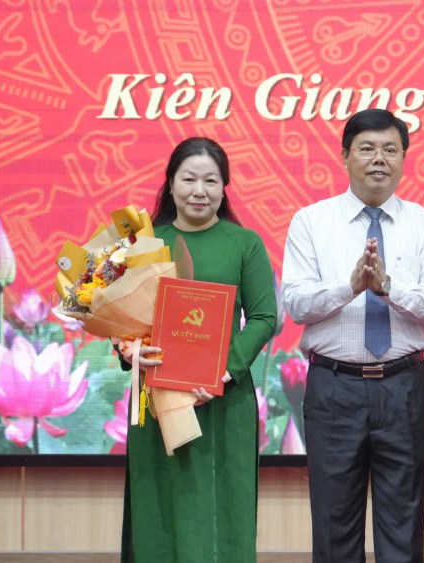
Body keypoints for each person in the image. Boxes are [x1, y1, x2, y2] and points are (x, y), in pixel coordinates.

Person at [280, 108, 424, 563]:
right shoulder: (311, 222)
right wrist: (351, 287)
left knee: (404, 524)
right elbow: (296, 303)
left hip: (404, 387)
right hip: (334, 388)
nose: (379, 159)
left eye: (390, 150)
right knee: (335, 526)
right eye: (367, 149)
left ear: (403, 158)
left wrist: (389, 288)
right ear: (344, 156)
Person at [119, 137, 277, 562]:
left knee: (223, 503)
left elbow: (264, 317)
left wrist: (222, 371)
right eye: (188, 178)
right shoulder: (144, 243)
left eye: (211, 180)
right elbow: (122, 319)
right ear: (170, 184)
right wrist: (129, 349)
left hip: (224, 397)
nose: (199, 190)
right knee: (159, 502)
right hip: (156, 397)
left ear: (225, 187)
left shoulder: (245, 243)